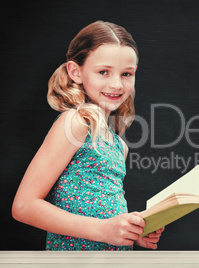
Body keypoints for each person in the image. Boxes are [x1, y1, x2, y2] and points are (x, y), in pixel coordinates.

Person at [12, 21, 163, 250]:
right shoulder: (76, 121)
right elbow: (24, 206)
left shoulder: (118, 145)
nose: (116, 84)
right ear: (76, 72)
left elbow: (104, 214)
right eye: (103, 72)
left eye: (126, 74)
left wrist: (129, 231)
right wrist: (103, 230)